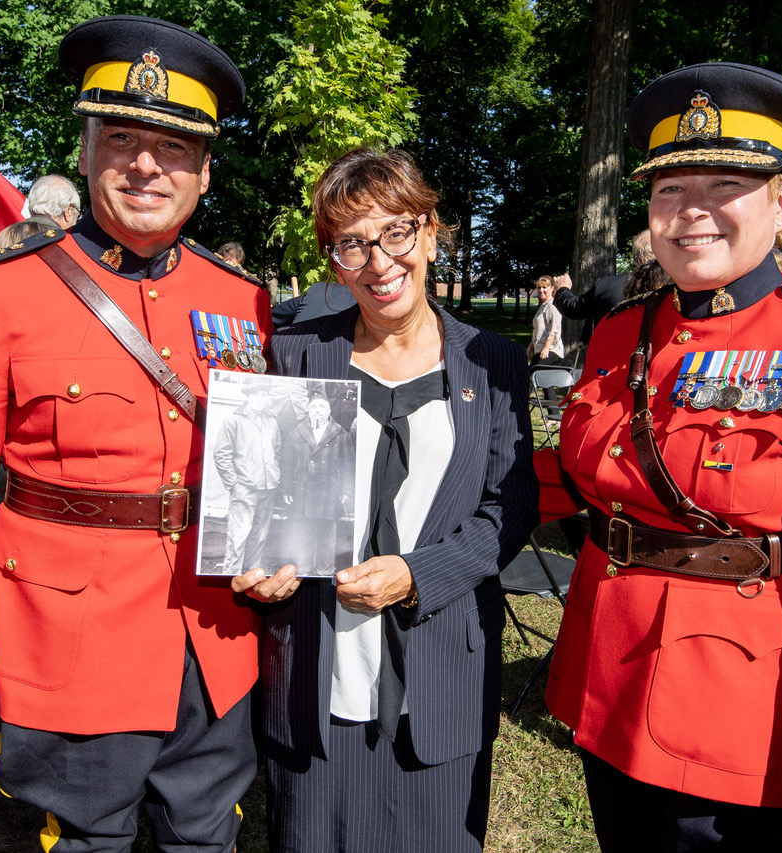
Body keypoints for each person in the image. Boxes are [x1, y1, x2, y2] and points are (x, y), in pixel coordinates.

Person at [536, 63, 782, 853]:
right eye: (668, 190)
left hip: (741, 721)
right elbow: (581, 479)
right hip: (608, 686)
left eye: (724, 185)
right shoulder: (623, 332)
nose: (692, 213)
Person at [0, 15, 270, 853]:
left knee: (205, 836)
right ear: (88, 149)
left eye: (174, 148)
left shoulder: (241, 299)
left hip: (216, 635)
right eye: (123, 137)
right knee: (87, 841)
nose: (145, 163)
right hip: (67, 640)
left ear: (205, 172)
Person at [233, 147, 538, 851]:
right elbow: (257, 493)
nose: (378, 261)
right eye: (352, 242)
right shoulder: (294, 353)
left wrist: (416, 574)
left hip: (441, 679)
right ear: (331, 258)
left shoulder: (491, 361)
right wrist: (257, 571)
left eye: (396, 231)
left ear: (432, 232)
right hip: (314, 678)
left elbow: (512, 506)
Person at [278, 391, 354, 575]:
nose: (317, 411)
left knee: (327, 533)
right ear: (308, 411)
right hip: (302, 490)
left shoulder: (341, 435)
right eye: (314, 407)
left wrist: (346, 491)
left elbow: (348, 465)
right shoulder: (296, 433)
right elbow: (287, 463)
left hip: (329, 492)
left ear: (329, 411)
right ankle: (302, 568)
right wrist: (287, 489)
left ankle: (324, 570)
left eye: (322, 407)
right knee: (301, 529)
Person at [213, 384, 282, 573]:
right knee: (239, 534)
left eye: (264, 395)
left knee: (260, 535)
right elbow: (221, 454)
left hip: (269, 487)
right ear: (248, 398)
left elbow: (277, 452)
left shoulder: (271, 422)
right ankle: (231, 574)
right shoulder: (233, 420)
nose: (260, 399)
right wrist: (234, 484)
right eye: (256, 395)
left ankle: (251, 572)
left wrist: (275, 475)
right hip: (244, 488)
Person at [554, 229, 656, 328]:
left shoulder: (606, 286)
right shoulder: (670, 285)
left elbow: (573, 308)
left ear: (635, 256)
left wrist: (563, 288)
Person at [527, 274, 564, 368]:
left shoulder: (552, 305)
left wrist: (546, 347)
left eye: (544, 287)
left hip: (551, 350)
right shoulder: (543, 306)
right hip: (539, 349)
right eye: (539, 288)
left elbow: (554, 329)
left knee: (533, 375)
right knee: (529, 375)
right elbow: (539, 331)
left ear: (552, 288)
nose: (541, 290)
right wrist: (530, 347)